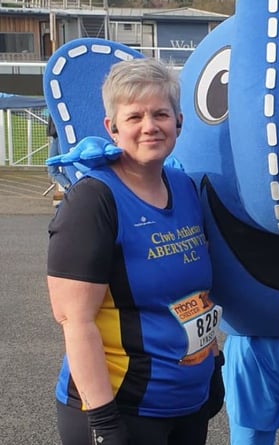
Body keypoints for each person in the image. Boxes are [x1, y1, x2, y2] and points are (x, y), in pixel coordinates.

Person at [46, 57, 223, 445]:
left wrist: (214, 366)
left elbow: (195, 296)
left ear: (178, 121)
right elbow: (74, 320)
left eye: (160, 113)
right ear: (112, 127)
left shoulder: (186, 188)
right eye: (134, 116)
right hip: (121, 411)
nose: (149, 126)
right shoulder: (94, 200)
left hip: (187, 405)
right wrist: (105, 423)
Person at [46, 115, 72, 195]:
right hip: (55, 137)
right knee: (52, 168)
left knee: (65, 167)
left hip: (63, 136)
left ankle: (70, 191)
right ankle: (69, 187)